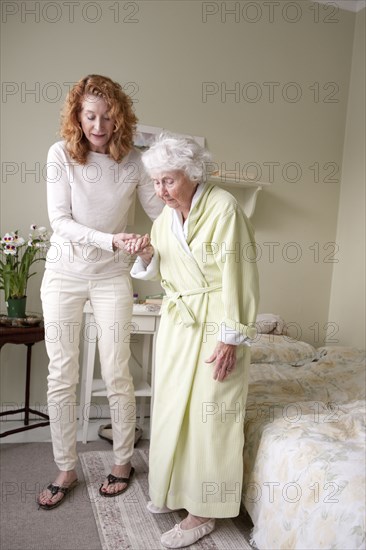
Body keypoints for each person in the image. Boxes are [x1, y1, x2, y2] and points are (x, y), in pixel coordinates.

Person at [37, 75, 162, 510]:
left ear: (120, 118)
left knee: (117, 372)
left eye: (107, 117)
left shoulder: (135, 163)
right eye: (90, 115)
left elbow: (159, 214)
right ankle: (66, 466)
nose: (98, 125)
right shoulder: (61, 155)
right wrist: (113, 239)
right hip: (65, 273)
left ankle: (123, 461)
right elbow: (61, 221)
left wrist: (155, 239)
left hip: (112, 276)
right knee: (62, 373)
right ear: (77, 114)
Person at [130, 133, 259, 547]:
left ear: (191, 174)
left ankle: (205, 509)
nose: (160, 190)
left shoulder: (223, 208)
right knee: (172, 410)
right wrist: (147, 255)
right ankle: (173, 488)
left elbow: (240, 275)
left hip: (216, 322)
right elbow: (159, 268)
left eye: (168, 181)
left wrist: (231, 338)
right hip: (178, 324)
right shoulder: (164, 220)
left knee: (211, 414)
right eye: (155, 182)